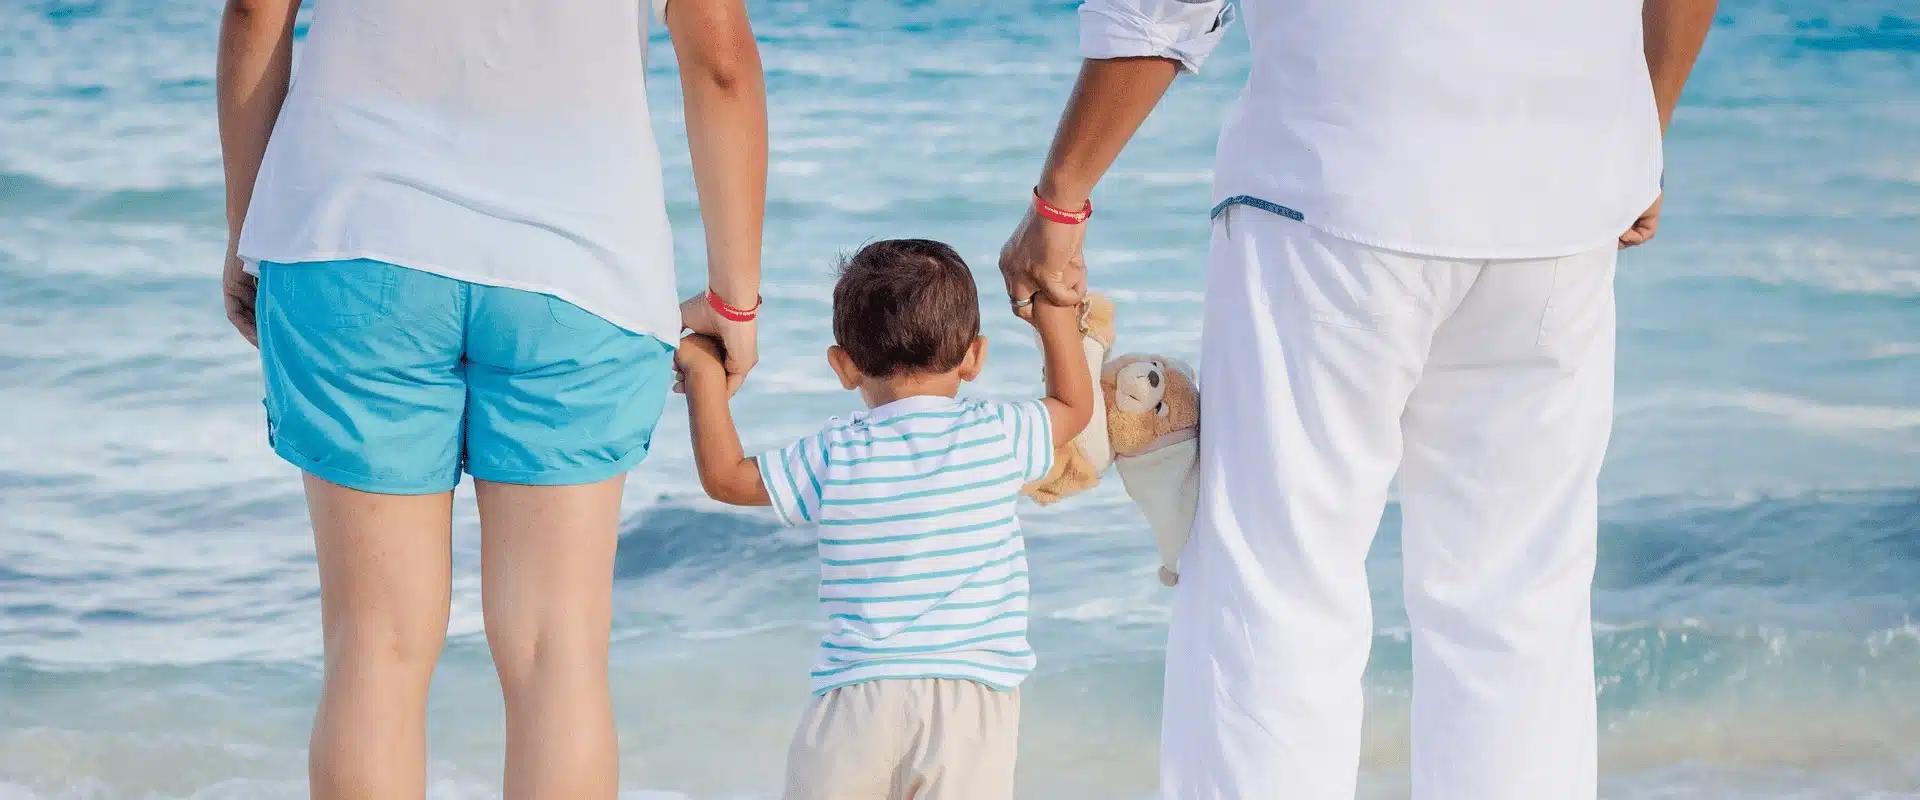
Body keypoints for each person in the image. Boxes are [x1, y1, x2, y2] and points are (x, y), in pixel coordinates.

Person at [998, 0, 1716, 797]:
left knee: (1278, 585)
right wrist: (1642, 128)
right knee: (1517, 602)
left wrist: (1061, 198)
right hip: (1565, 195)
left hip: (1336, 183)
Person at [215, 0, 766, 796]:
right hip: (580, 268)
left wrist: (248, 227)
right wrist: (734, 300)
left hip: (354, 240)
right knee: (557, 655)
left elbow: (253, 13)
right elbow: (720, 62)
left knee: (377, 646)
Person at [674, 239, 1095, 799]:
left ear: (843, 367)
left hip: (855, 699)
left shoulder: (834, 452)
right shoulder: (999, 435)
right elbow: (1073, 407)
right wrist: (1052, 310)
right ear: (974, 356)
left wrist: (705, 374)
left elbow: (726, 478)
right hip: (969, 703)